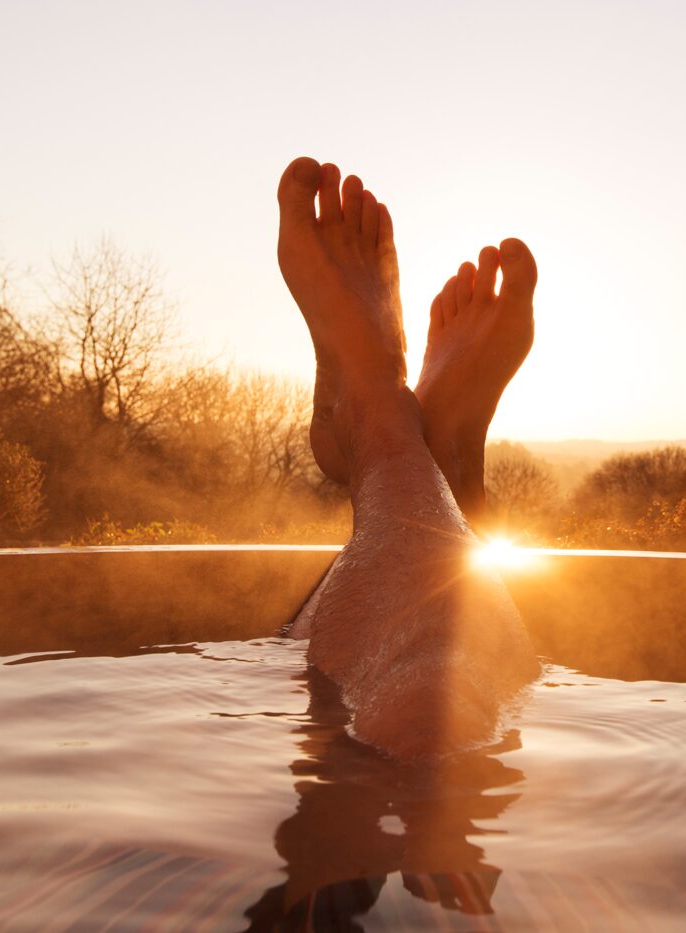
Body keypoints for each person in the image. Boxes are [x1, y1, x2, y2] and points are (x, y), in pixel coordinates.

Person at [276, 156, 541, 758]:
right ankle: (441, 461)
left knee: (421, 697)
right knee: (443, 702)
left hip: (353, 771)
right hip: (496, 820)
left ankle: (377, 418)